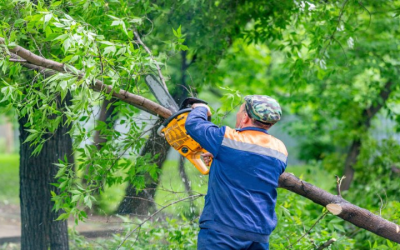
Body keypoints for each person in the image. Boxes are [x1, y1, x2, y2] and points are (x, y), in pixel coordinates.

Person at [185, 95, 288, 250]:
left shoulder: (228, 139)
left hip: (223, 234)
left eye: (240, 111)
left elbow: (193, 124)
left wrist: (201, 108)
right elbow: (253, 168)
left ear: (245, 117)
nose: (238, 114)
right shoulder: (279, 149)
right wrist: (220, 155)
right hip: (258, 236)